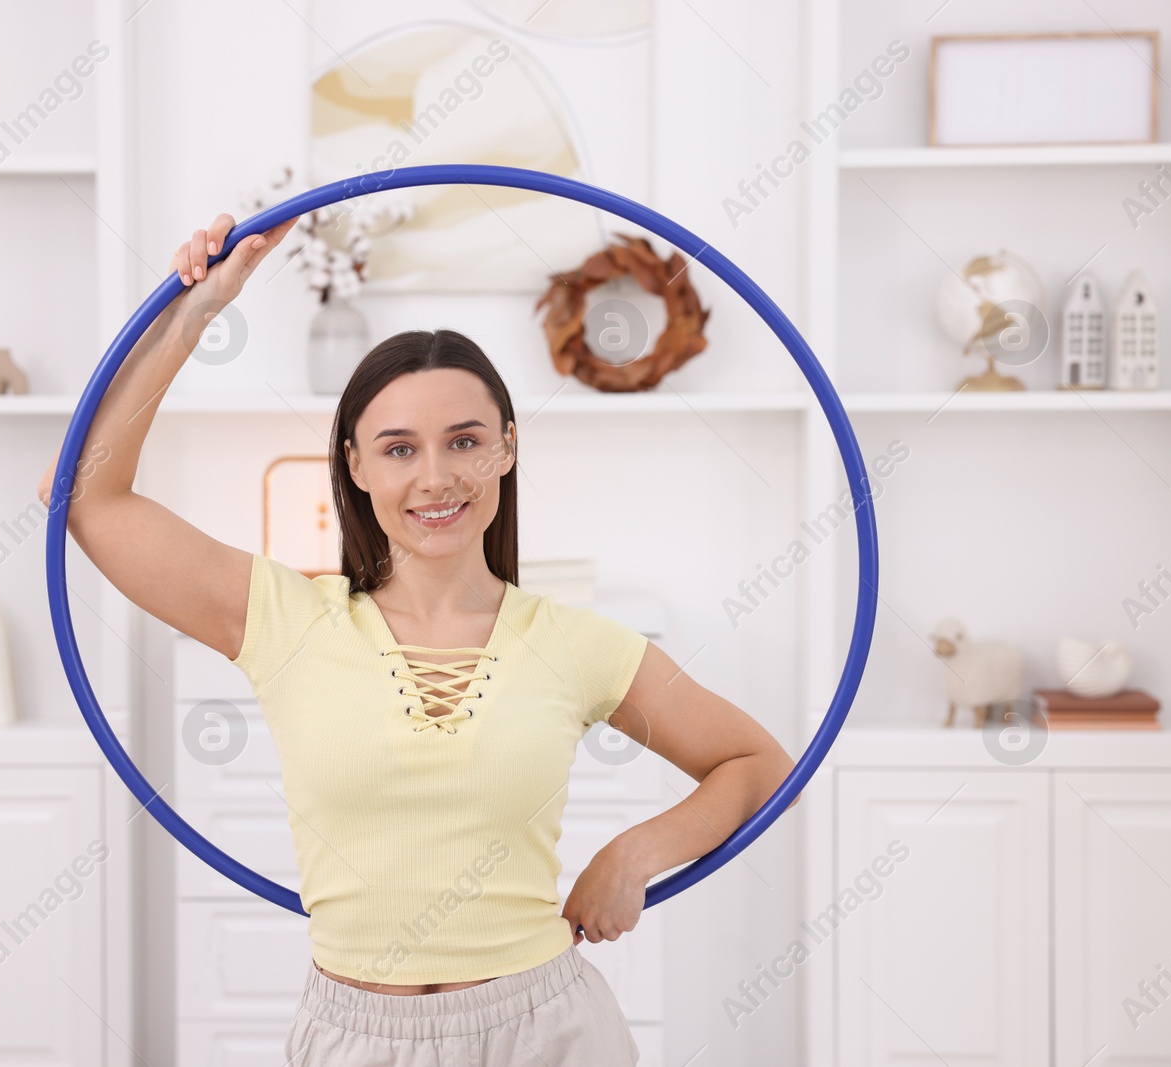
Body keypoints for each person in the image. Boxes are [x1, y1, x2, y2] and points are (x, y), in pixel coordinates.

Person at [39, 211, 798, 1066]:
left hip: (549, 1030)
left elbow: (761, 765)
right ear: (356, 467)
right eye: (399, 448)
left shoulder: (577, 641)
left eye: (465, 441)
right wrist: (196, 309)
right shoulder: (281, 616)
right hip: (356, 1038)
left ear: (507, 449)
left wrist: (635, 853)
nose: (435, 478)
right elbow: (84, 498)